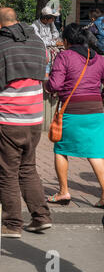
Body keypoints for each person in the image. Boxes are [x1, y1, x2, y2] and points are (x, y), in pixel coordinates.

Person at [0, 7, 52, 238]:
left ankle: (12, 224)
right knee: (28, 169)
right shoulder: (37, 44)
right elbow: (46, 74)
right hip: (34, 120)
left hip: (8, 120)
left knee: (7, 172)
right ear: (17, 21)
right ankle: (41, 218)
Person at [45, 23, 104, 209]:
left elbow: (54, 85)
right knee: (95, 153)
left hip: (73, 110)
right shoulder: (100, 58)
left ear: (66, 41)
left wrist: (46, 86)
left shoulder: (65, 56)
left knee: (61, 149)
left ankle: (63, 191)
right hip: (96, 110)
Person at [32, 6, 64, 80]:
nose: (54, 20)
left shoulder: (50, 23)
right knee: (48, 57)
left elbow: (56, 33)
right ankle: (46, 78)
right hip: (42, 49)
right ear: (46, 18)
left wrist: (53, 39)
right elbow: (40, 42)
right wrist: (54, 43)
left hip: (52, 45)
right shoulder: (35, 26)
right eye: (53, 18)